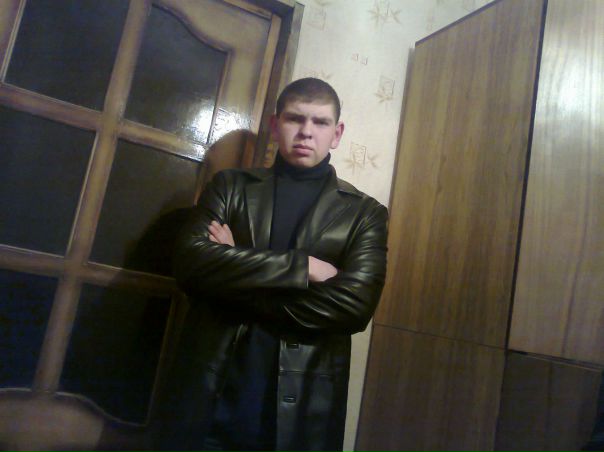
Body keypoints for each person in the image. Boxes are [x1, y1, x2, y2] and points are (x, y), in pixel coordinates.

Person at [156, 78, 388, 452]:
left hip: (300, 411)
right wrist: (302, 267)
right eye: (295, 118)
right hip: (210, 393)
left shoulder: (364, 214)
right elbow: (190, 264)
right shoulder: (230, 187)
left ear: (337, 133)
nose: (306, 132)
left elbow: (353, 308)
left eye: (320, 122)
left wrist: (231, 272)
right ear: (275, 125)